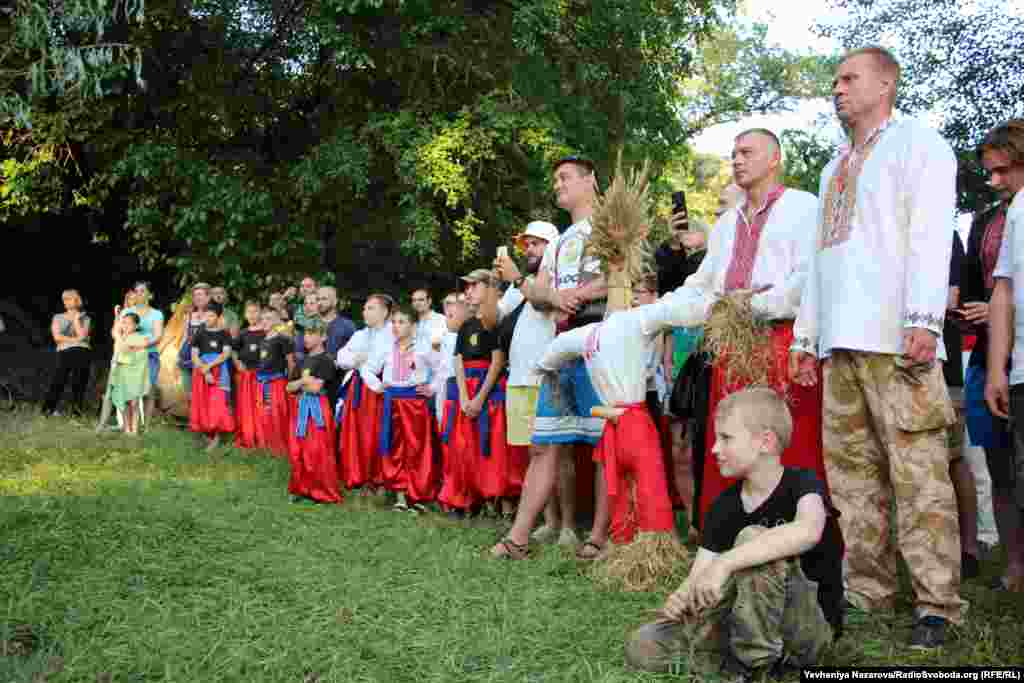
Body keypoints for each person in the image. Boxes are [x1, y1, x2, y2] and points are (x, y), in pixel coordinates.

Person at [790, 46, 965, 647]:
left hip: (898, 338)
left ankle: (938, 603)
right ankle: (867, 590)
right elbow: (820, 259)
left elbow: (930, 234)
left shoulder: (919, 144)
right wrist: (806, 337)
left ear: (886, 83)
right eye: (834, 79)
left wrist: (924, 320)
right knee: (854, 477)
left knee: (918, 475)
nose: (836, 89)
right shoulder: (833, 165)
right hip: (840, 341)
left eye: (849, 78)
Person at [625, 388, 843, 678]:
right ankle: (734, 661)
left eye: (726, 438)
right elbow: (700, 577)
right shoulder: (723, 506)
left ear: (765, 441)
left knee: (754, 538)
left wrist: (726, 562)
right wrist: (683, 596)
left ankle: (758, 668)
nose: (714, 448)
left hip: (804, 631)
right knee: (644, 642)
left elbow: (808, 530)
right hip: (741, 623)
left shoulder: (803, 483)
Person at [670, 128, 825, 529]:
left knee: (783, 438)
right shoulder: (726, 222)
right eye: (733, 153)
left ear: (774, 159)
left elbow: (808, 278)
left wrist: (750, 303)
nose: (737, 160)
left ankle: (795, 538)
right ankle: (729, 535)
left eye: (746, 152)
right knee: (732, 439)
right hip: (732, 346)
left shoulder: (802, 206)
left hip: (782, 338)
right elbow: (703, 284)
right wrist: (658, 312)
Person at [493, 274, 709, 559]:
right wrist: (721, 303)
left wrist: (545, 368)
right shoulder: (629, 321)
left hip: (617, 416)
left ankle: (616, 541)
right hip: (629, 415)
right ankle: (648, 547)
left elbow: (550, 356)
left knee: (625, 479)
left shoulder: (603, 328)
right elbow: (683, 310)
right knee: (645, 481)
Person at [504, 155, 609, 555]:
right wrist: (553, 295)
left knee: (604, 448)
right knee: (545, 444)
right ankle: (517, 539)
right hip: (560, 351)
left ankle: (598, 538)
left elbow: (624, 275)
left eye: (564, 177)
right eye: (555, 179)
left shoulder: (612, 224)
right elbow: (537, 291)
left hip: (601, 346)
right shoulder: (562, 240)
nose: (557, 184)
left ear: (590, 180)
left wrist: (578, 294)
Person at [964, 183, 1018, 590]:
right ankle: (1013, 565)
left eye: (1006, 170)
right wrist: (971, 310)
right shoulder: (983, 221)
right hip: (987, 357)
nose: (994, 181)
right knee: (997, 463)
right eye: (991, 171)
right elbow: (973, 286)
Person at [981, 119, 1024, 592]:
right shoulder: (1015, 212)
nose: (994, 182)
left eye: (1003, 170)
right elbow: (1003, 290)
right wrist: (998, 369)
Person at [493, 221, 561, 519]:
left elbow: (544, 303)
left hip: (546, 377)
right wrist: (489, 289)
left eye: (535, 243)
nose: (528, 249)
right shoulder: (520, 282)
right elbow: (494, 316)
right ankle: (547, 520)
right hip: (519, 377)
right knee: (534, 454)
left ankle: (565, 524)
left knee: (554, 454)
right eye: (526, 245)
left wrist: (517, 278)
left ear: (551, 245)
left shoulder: (556, 277)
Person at [438, 269, 508, 515]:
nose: (468, 292)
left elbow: (497, 361)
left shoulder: (495, 321)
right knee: (463, 445)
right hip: (465, 388)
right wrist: (464, 396)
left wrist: (479, 398)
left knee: (488, 444)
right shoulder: (466, 325)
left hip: (486, 390)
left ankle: (493, 498)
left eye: (473, 286)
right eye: (466, 287)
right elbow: (458, 360)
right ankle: (466, 496)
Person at [363, 305, 443, 512]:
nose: (396, 326)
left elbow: (442, 367)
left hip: (415, 402)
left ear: (413, 325)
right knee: (395, 447)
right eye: (394, 322)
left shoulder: (423, 348)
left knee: (417, 448)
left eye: (402, 322)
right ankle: (400, 495)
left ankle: (418, 496)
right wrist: (378, 386)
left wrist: (432, 388)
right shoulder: (386, 348)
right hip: (392, 401)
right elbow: (367, 368)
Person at [944, 232, 981, 579]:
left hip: (944, 367)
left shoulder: (945, 234)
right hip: (895, 366)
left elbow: (951, 297)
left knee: (954, 458)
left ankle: (969, 547)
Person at [337, 294, 395, 491]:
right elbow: (342, 356)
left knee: (374, 431)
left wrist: (361, 360)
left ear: (384, 312)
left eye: (370, 308)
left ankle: (377, 477)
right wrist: (356, 360)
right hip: (358, 387)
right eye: (364, 308)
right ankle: (356, 473)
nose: (365, 312)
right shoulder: (361, 334)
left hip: (376, 390)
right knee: (356, 430)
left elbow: (378, 361)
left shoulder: (391, 334)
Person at [286, 320, 342, 504]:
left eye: (312, 334)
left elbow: (317, 388)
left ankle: (321, 491)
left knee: (317, 450)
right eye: (305, 334)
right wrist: (304, 381)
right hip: (300, 407)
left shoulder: (326, 359)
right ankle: (301, 488)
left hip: (317, 409)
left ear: (323, 337)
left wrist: (302, 383)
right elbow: (288, 387)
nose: (306, 338)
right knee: (298, 449)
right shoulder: (302, 360)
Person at [189, 302, 236, 451]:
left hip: (219, 372)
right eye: (206, 315)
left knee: (218, 404)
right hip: (201, 372)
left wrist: (210, 367)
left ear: (218, 317)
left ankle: (217, 437)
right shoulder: (200, 333)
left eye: (211, 315)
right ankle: (206, 435)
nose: (208, 318)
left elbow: (226, 353)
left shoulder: (224, 333)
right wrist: (205, 371)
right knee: (202, 403)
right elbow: (194, 355)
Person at [43, 289, 93, 417]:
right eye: (65, 299)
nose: (67, 301)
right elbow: (57, 337)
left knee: (79, 380)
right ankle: (48, 409)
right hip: (65, 350)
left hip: (82, 350)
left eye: (70, 298)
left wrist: (76, 320)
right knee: (58, 379)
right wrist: (75, 340)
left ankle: (77, 411)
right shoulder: (58, 317)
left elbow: (83, 336)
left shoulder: (85, 318)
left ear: (77, 301)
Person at [256, 308, 294, 457]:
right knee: (265, 413)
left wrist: (289, 382)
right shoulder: (263, 340)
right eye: (263, 318)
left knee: (277, 414)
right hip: (262, 383)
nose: (265, 322)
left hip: (277, 383)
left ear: (277, 321)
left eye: (269, 319)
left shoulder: (282, 339)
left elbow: (290, 363)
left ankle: (280, 447)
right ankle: (267, 444)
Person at [124, 282, 165, 420]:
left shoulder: (156, 314)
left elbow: (158, 335)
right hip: (130, 354)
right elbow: (118, 331)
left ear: (150, 295)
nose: (139, 294)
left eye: (142, 291)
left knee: (149, 390)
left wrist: (142, 345)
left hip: (149, 354)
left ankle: (147, 425)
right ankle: (130, 424)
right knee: (130, 390)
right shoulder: (127, 312)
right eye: (136, 291)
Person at [105, 312, 150, 435]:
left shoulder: (140, 337)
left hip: (135, 374)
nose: (125, 326)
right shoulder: (120, 337)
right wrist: (117, 316)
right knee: (123, 401)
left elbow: (134, 348)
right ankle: (126, 428)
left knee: (134, 402)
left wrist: (126, 344)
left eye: (129, 324)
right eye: (123, 323)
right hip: (122, 373)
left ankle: (134, 429)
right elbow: (123, 346)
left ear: (136, 326)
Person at [233, 301, 266, 449]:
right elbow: (233, 349)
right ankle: (248, 434)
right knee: (247, 406)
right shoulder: (243, 333)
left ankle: (262, 437)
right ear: (245, 315)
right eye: (249, 312)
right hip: (247, 375)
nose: (252, 315)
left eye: (255, 311)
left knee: (262, 406)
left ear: (261, 313)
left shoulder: (266, 331)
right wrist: (237, 363)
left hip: (262, 376)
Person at [296, 286, 354, 359]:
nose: (319, 303)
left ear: (335, 302)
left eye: (324, 299)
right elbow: (299, 351)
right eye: (318, 299)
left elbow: (353, 352)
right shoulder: (307, 323)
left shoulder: (347, 325)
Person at [178, 282, 212, 401]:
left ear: (208, 297)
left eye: (201, 294)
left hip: (204, 359)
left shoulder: (213, 316)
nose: (198, 297)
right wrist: (179, 355)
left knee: (204, 394)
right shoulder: (189, 316)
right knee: (190, 395)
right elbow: (184, 337)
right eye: (195, 295)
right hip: (186, 358)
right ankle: (194, 419)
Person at [411, 288, 448, 353]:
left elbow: (442, 346)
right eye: (414, 300)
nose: (417, 303)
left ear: (429, 301)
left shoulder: (440, 319)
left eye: (421, 300)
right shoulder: (413, 322)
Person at [293, 293, 321, 365]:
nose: (307, 306)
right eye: (305, 304)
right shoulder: (300, 321)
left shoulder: (320, 322)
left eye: (312, 303)